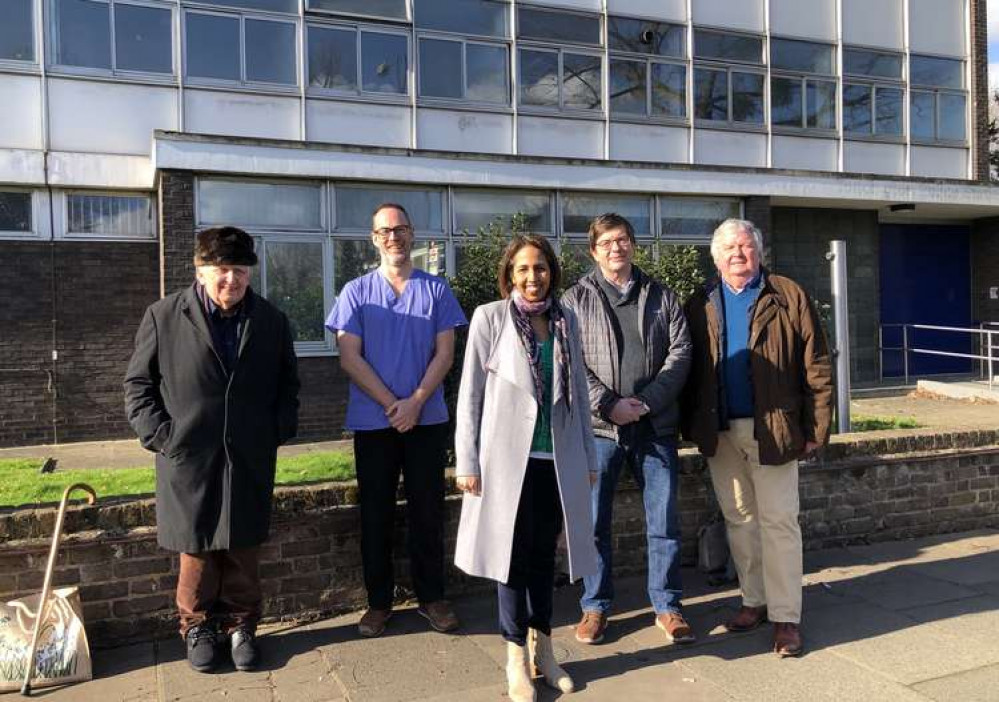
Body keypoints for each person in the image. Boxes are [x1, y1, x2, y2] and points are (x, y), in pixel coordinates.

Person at [124, 226, 300, 673]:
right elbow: (138, 386)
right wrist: (163, 437)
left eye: (240, 271)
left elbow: (288, 385)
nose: (232, 281)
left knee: (243, 544)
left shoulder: (271, 320)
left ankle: (242, 625)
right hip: (188, 454)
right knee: (196, 545)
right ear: (201, 271)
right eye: (222, 270)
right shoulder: (163, 317)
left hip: (247, 453)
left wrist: (275, 429)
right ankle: (198, 626)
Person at [454, 234, 598, 702]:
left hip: (555, 462)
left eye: (540, 268)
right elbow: (470, 394)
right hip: (503, 465)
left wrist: (588, 459)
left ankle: (546, 652)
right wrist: (467, 461)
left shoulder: (566, 319)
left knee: (545, 560)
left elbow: (577, 394)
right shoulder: (490, 319)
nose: (532, 277)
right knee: (509, 561)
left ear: (552, 272)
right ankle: (515, 657)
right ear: (509, 275)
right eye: (522, 269)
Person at [682, 218, 832, 657]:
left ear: (759, 252)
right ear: (715, 256)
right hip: (721, 432)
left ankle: (786, 617)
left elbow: (816, 363)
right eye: (728, 248)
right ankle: (754, 601)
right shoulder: (700, 301)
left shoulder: (788, 294)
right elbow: (687, 368)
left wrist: (816, 427)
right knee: (740, 520)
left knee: (779, 522)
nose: (737, 254)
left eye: (745, 246)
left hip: (775, 428)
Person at [325, 203, 466, 638]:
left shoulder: (437, 290)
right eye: (384, 230)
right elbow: (349, 358)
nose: (393, 237)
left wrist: (417, 401)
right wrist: (395, 405)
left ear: (412, 235)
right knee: (376, 515)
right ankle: (379, 603)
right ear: (373, 238)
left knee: (428, 512)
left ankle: (432, 598)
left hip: (427, 420)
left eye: (400, 229)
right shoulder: (355, 292)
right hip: (374, 423)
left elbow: (446, 354)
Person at [562, 213, 693, 645]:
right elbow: (572, 362)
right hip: (601, 429)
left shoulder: (661, 295)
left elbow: (681, 352)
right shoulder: (574, 300)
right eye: (607, 243)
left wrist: (648, 402)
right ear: (594, 251)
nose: (616, 248)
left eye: (623, 240)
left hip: (655, 427)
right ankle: (594, 606)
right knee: (593, 522)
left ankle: (668, 606)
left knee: (664, 519)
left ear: (633, 245)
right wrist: (610, 404)